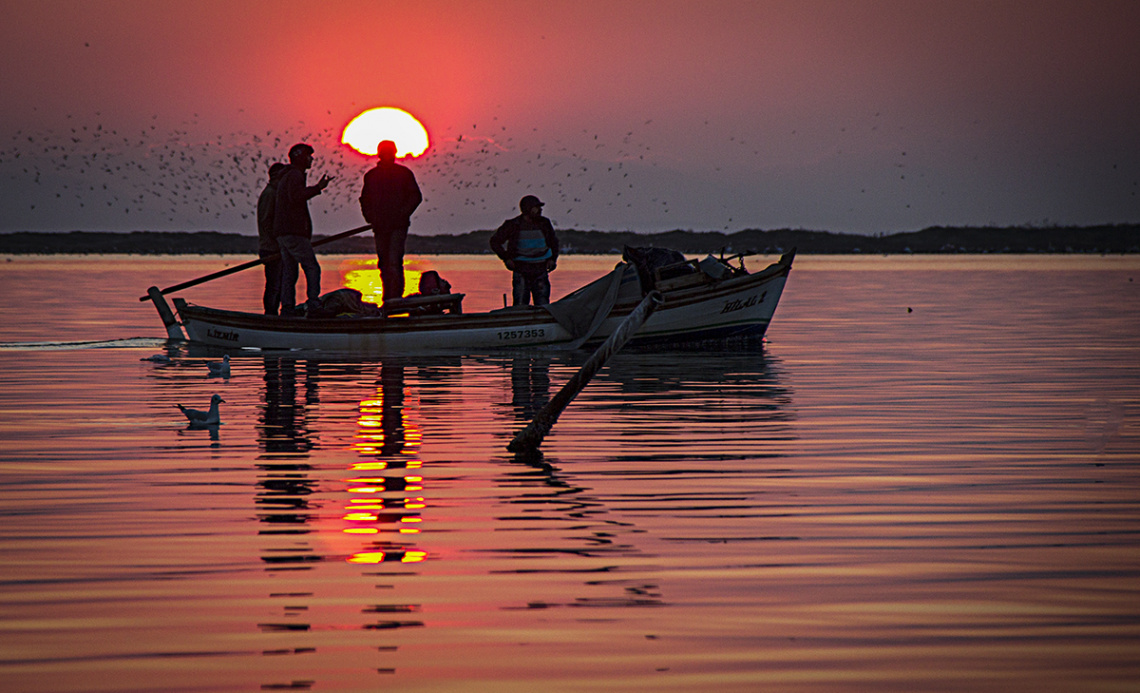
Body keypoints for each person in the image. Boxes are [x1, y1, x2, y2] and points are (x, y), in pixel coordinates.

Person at [359, 140, 422, 303]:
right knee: (384, 264)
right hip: (380, 227)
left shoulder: (404, 174)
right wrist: (372, 219)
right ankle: (388, 299)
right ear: (380, 155)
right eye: (386, 153)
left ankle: (395, 300)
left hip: (398, 226)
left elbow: (415, 197)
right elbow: (365, 201)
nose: (389, 156)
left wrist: (401, 215)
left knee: (394, 263)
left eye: (391, 153)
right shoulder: (371, 176)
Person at [275, 143, 332, 316]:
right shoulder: (294, 175)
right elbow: (296, 197)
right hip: (293, 233)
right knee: (312, 267)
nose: (312, 159)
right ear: (301, 157)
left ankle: (287, 309)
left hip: (284, 233)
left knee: (290, 272)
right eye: (309, 156)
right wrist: (318, 188)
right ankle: (314, 304)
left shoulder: (288, 175)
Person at [490, 195, 560, 306]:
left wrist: (553, 259)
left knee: (543, 305)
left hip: (541, 269)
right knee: (520, 305)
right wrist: (506, 258)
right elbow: (495, 242)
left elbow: (554, 243)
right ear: (528, 209)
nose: (540, 210)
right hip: (521, 269)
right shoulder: (513, 225)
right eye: (537, 207)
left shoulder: (545, 223)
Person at [256, 162, 287, 315]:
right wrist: (278, 241)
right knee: (274, 285)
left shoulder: (275, 193)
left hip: (276, 247)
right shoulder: (270, 194)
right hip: (271, 249)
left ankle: (275, 314)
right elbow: (266, 221)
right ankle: (270, 315)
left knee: (279, 284)